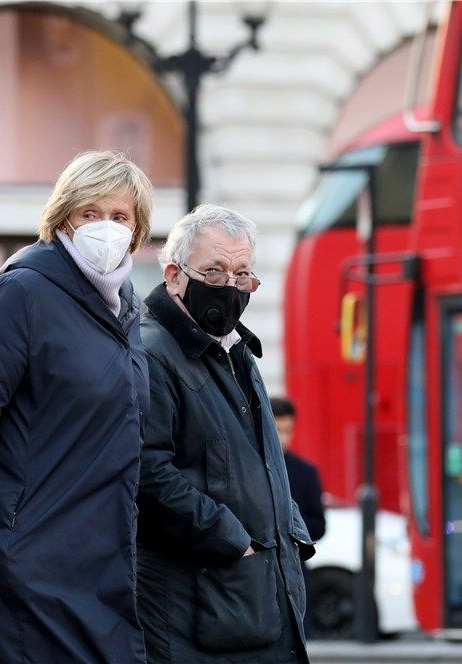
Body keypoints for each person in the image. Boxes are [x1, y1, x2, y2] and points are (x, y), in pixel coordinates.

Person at [0, 151, 152, 663]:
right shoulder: (23, 290)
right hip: (28, 559)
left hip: (102, 555)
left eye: (120, 216)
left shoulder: (126, 306)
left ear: (137, 230)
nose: (105, 228)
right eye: (90, 213)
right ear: (63, 216)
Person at [136, 204, 315, 664]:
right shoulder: (153, 353)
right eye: (214, 272)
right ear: (174, 275)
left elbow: (260, 461)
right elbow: (146, 474)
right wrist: (235, 540)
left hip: (252, 598)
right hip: (199, 609)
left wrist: (290, 530)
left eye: (242, 274)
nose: (230, 287)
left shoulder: (235, 351)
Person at [270, 396, 326, 637]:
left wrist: (293, 532)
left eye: (288, 430)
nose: (283, 437)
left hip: (294, 567)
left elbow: (318, 524)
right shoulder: (248, 466)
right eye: (277, 429)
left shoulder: (305, 472)